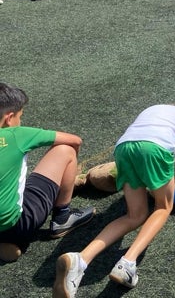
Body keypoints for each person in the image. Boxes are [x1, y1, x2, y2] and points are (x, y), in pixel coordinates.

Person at [53, 102, 175, 297]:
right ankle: (128, 262)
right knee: (163, 207)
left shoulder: (157, 108)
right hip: (155, 149)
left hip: (123, 148)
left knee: (134, 215)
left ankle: (81, 259)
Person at [0, 83, 95, 263]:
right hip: (16, 225)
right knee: (65, 150)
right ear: (9, 118)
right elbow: (75, 141)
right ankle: (62, 218)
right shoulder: (15, 134)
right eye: (20, 116)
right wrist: (71, 173)